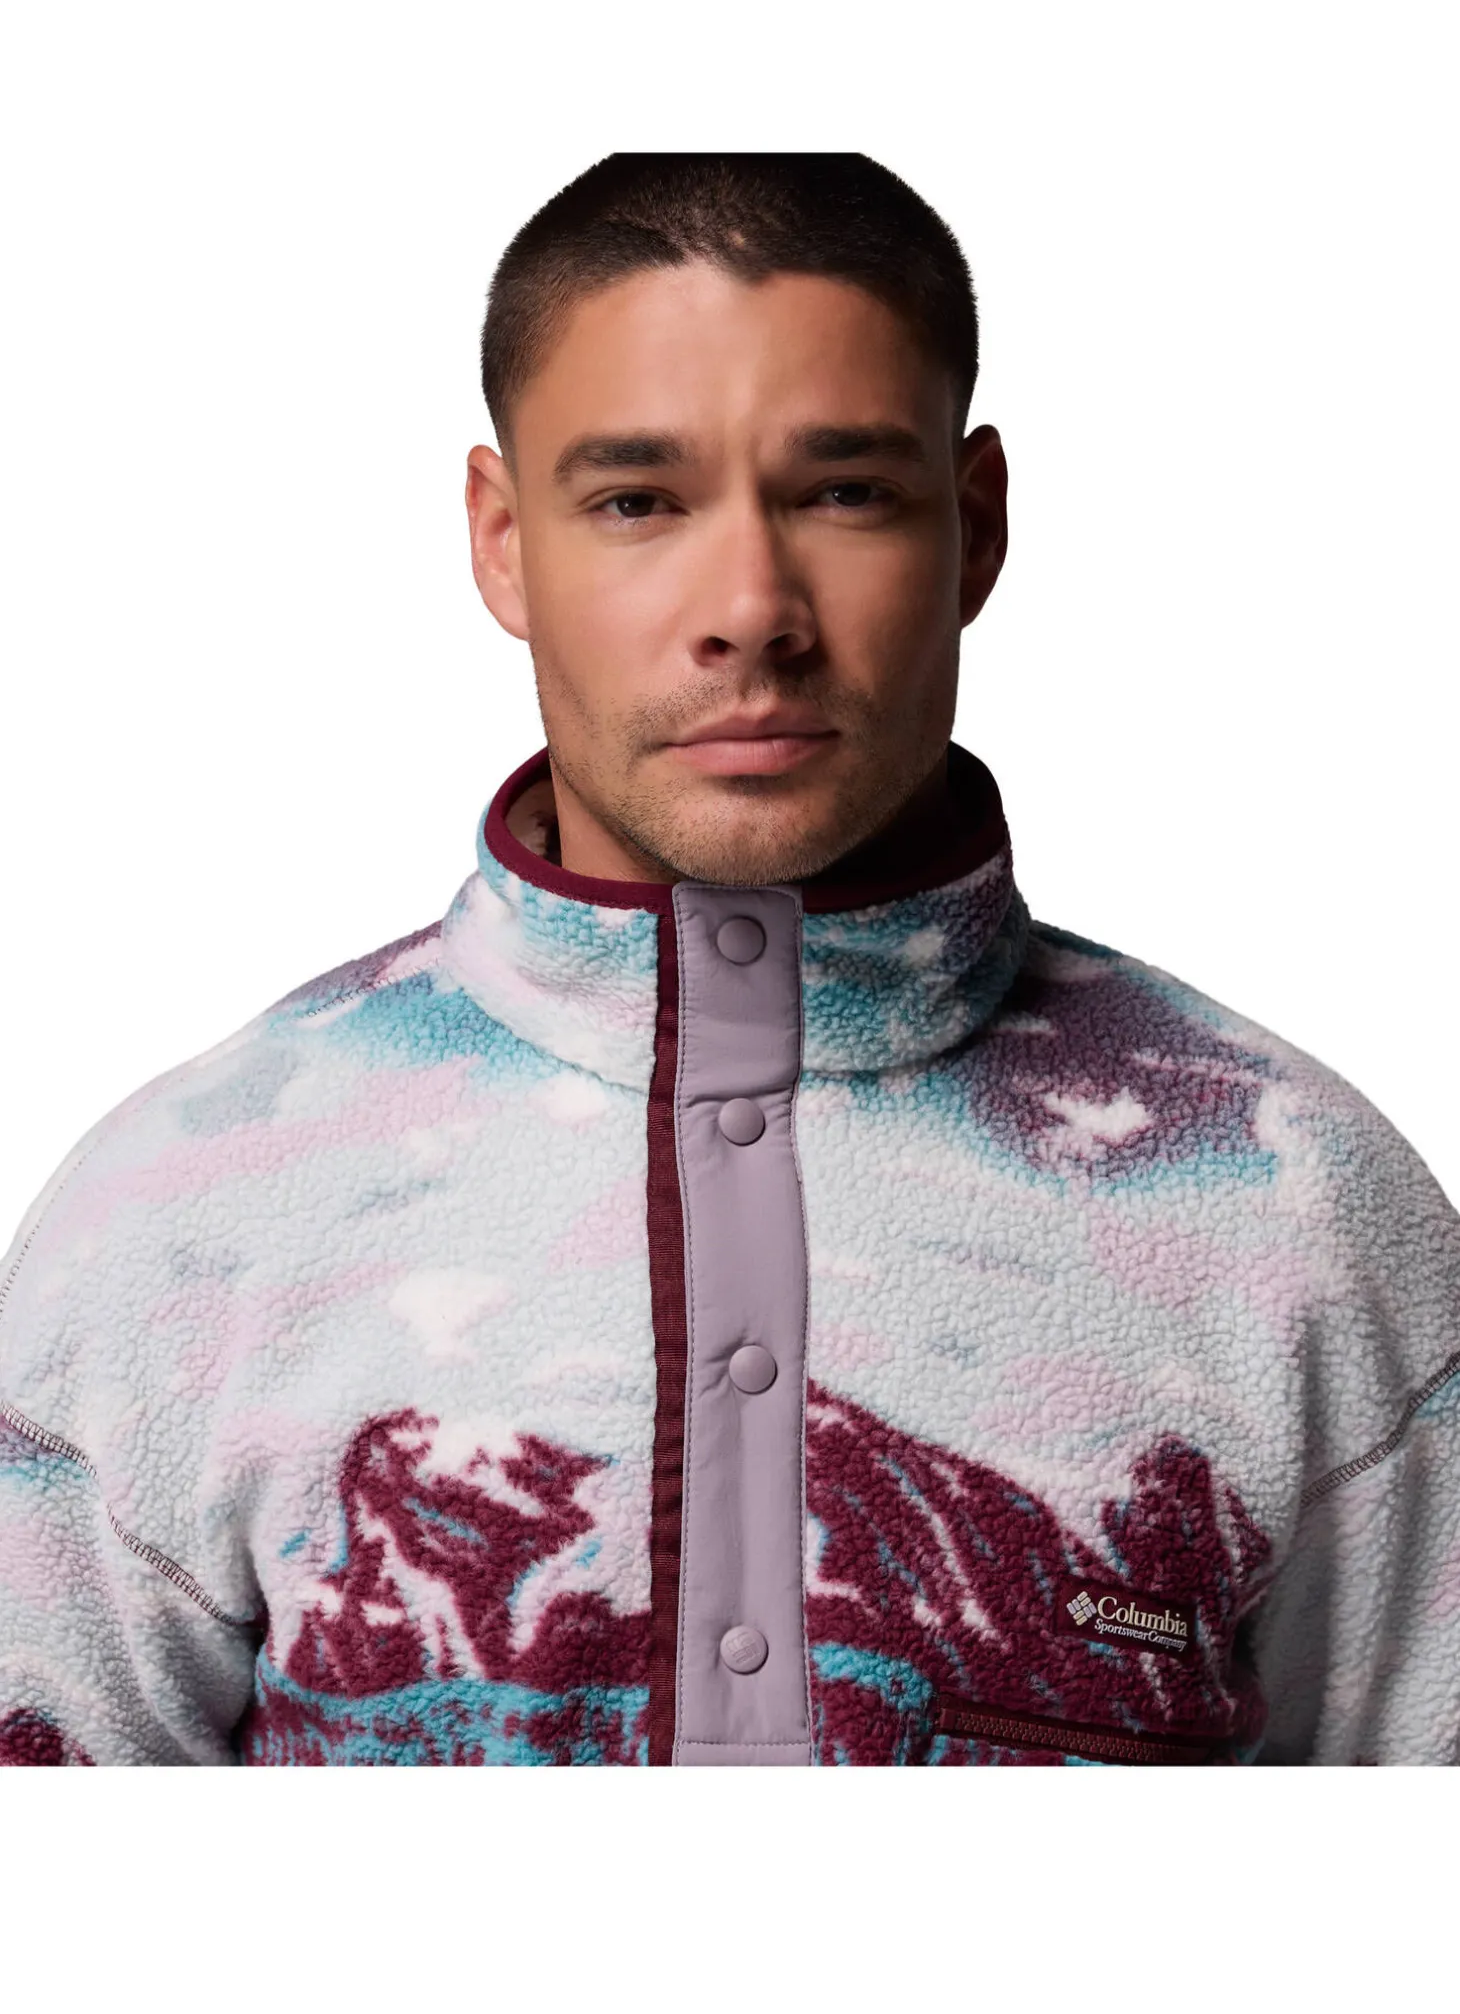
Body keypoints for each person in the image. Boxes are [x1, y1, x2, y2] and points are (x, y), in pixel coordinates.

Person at [1, 153, 1455, 1767]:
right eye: (637, 502)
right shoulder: (176, 1226)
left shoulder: (1302, 1213)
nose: (753, 610)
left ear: (975, 526)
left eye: (845, 492)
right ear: (503, 542)